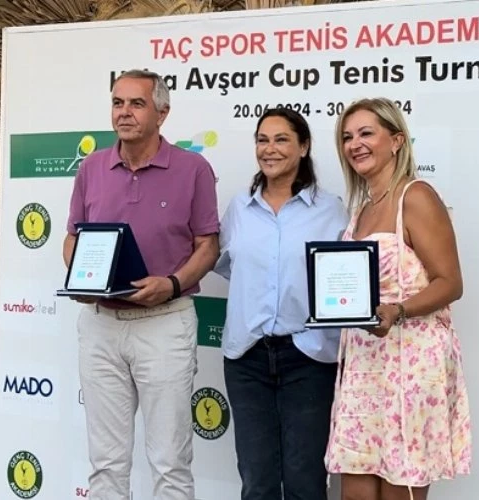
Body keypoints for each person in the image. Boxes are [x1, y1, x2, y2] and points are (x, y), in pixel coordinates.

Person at [63, 69, 220, 500]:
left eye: (137, 103)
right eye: (118, 103)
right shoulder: (92, 167)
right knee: (107, 462)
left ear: (162, 113)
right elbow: (73, 238)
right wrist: (81, 278)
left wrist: (172, 284)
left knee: (170, 462)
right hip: (101, 325)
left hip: (164, 323)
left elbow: (208, 246)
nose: (124, 113)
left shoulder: (193, 168)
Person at [324, 97, 472, 500]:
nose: (355, 144)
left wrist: (397, 310)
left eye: (366, 133)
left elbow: (450, 282)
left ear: (397, 141)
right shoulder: (361, 210)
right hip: (364, 362)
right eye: (347, 137)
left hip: (410, 362)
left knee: (398, 493)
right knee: (354, 491)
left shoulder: (416, 196)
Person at [214, 108, 349, 500]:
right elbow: (229, 265)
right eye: (262, 140)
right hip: (247, 358)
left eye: (281, 139)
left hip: (308, 358)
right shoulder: (239, 208)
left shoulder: (331, 210)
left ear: (304, 147)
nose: (269, 149)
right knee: (257, 482)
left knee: (306, 481)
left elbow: (343, 277)